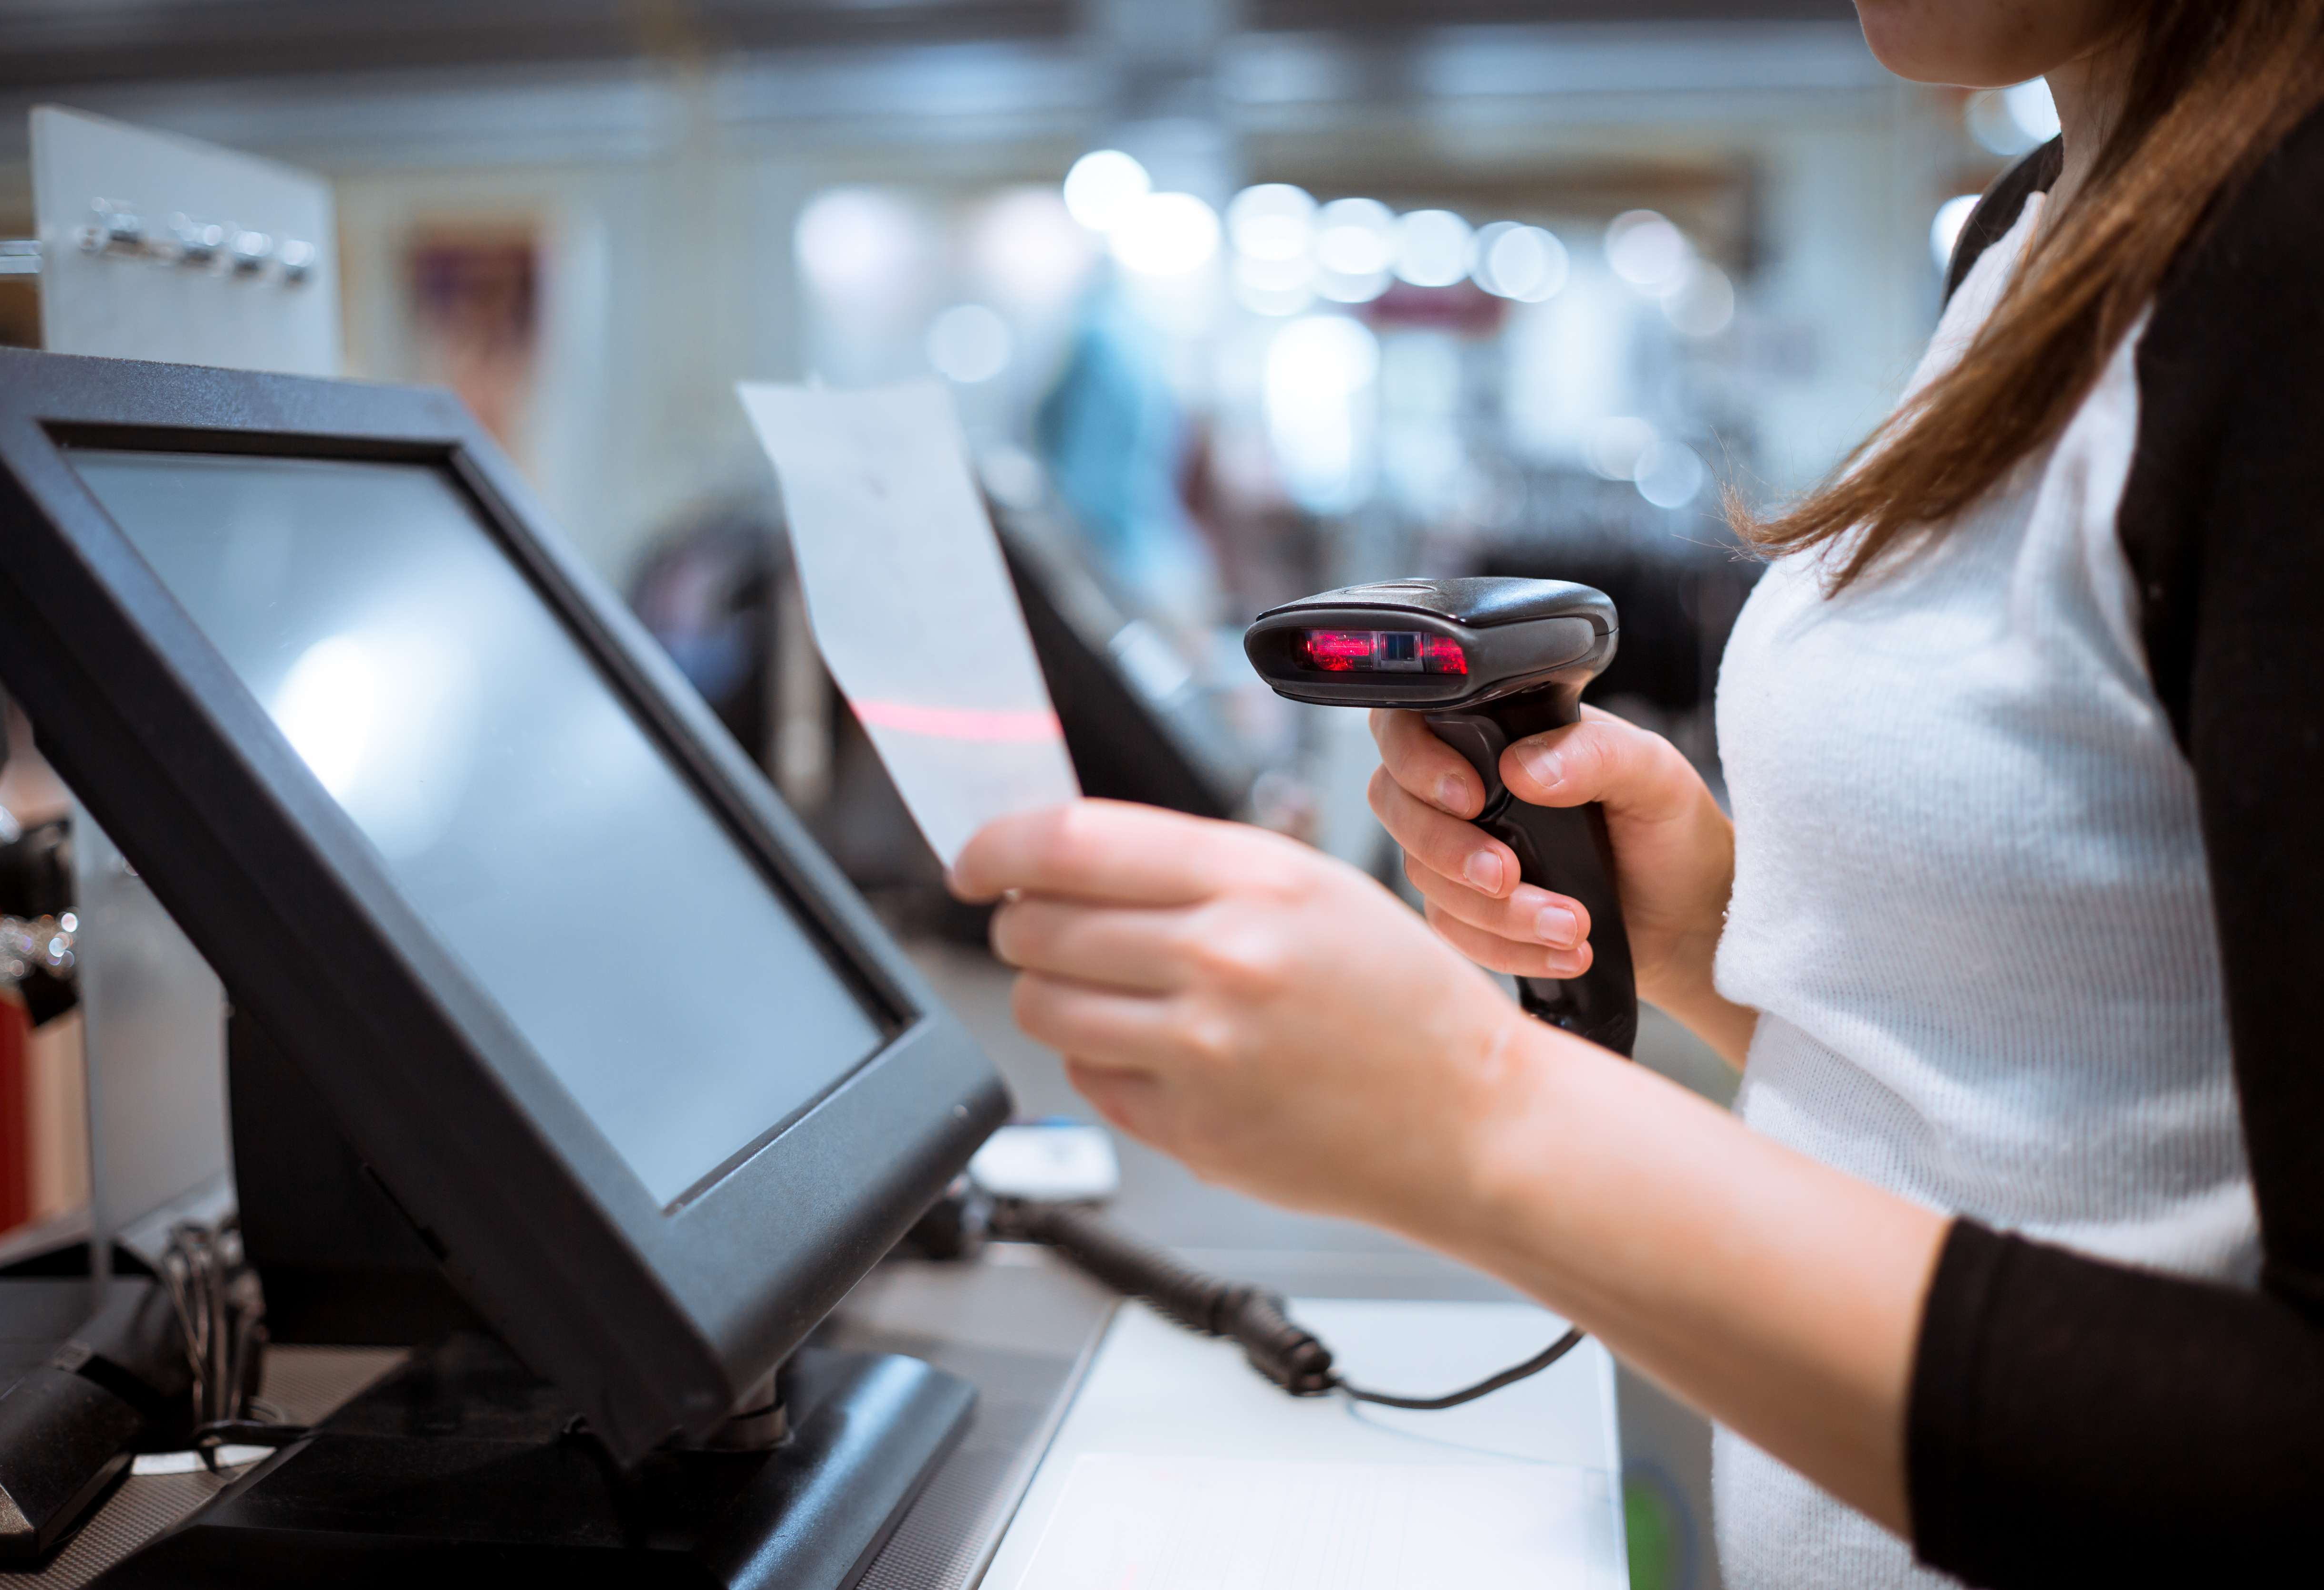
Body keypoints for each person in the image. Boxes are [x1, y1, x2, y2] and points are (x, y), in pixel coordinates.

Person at [948, 0, 2324, 1584]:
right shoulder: (2044, 228)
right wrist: (1718, 936)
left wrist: (1477, 1119)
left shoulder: (2305, 253)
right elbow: (2068, 1108)